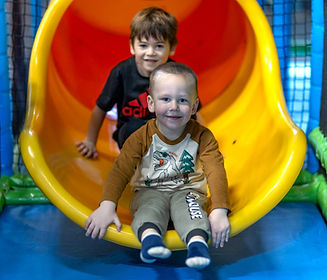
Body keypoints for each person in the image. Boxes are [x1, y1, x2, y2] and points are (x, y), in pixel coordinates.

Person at [85, 62, 231, 269]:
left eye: (182, 100)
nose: (174, 106)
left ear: (194, 106)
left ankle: (198, 244)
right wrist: (107, 205)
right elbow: (121, 169)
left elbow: (216, 170)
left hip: (187, 189)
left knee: (192, 210)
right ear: (151, 104)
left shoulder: (203, 136)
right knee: (148, 209)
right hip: (150, 189)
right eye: (165, 99)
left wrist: (219, 209)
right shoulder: (141, 137)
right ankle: (150, 240)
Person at [76, 7, 178, 156]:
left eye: (159, 46)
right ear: (132, 46)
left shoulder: (177, 75)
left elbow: (193, 109)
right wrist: (90, 141)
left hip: (165, 134)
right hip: (131, 133)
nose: (150, 52)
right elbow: (101, 107)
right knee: (135, 128)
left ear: (172, 48)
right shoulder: (121, 73)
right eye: (143, 45)